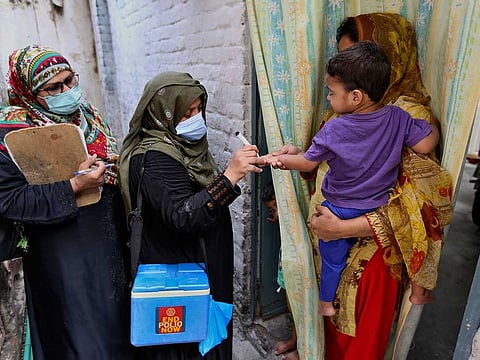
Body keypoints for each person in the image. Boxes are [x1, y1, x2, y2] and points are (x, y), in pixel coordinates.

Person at [275, 13, 453, 359]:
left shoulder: (409, 114)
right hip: (331, 218)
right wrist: (298, 157)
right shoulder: (346, 109)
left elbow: (417, 207)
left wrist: (343, 227)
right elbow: (322, 160)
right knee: (312, 274)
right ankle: (311, 343)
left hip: (374, 236)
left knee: (365, 300)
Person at [117, 71, 263, 360]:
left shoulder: (182, 149)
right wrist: (230, 176)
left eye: (198, 110)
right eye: (186, 113)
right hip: (180, 274)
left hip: (196, 265)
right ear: (162, 115)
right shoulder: (156, 159)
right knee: (187, 342)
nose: (196, 118)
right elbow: (182, 218)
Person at [0, 45, 134, 359]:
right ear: (28, 91)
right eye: (54, 87)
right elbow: (10, 200)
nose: (67, 91)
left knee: (117, 323)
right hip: (59, 251)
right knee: (78, 332)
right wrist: (74, 185)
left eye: (70, 81)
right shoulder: (10, 133)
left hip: (107, 239)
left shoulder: (87, 114)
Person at [260, 181, 298, 359]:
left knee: (299, 308)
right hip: (288, 267)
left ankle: (297, 345)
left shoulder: (298, 221)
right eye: (272, 210)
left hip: (299, 267)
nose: (276, 213)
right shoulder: (285, 223)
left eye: (277, 206)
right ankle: (294, 340)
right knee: (292, 308)